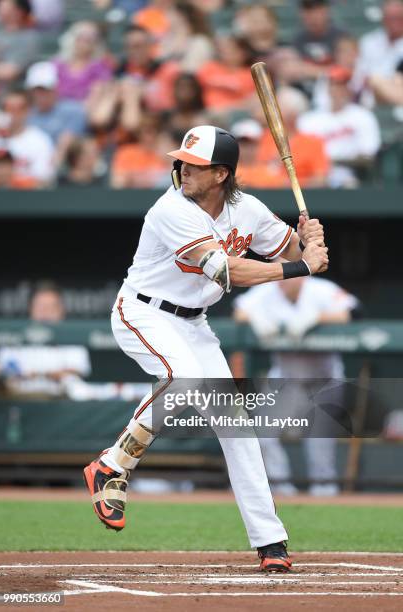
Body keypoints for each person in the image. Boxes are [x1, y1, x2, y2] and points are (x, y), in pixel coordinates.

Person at [83, 124, 329, 573]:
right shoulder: (170, 209)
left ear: (220, 174)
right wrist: (301, 266)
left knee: (237, 427)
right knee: (183, 378)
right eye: (181, 160)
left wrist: (306, 240)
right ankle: (112, 464)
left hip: (194, 322)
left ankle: (270, 541)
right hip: (144, 312)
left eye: (194, 164)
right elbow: (227, 273)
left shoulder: (247, 209)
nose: (181, 168)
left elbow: (286, 247)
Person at [233, 276, 358, 496]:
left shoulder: (322, 289)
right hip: (286, 379)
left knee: (319, 446)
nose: (284, 280)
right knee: (262, 437)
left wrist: (317, 318)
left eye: (291, 272)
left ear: (302, 276)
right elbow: (239, 312)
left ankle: (324, 496)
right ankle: (282, 493)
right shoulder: (267, 290)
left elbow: (355, 312)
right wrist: (256, 318)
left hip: (324, 379)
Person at [0, 282, 91, 398]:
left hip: (58, 402)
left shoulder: (72, 338)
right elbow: (0, 369)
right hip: (17, 399)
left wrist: (37, 374)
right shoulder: (14, 336)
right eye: (40, 307)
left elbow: (75, 371)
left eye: (51, 307)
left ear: (61, 310)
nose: (45, 312)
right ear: (31, 309)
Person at [298, 66, 381, 187]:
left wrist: (332, 161)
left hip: (349, 175)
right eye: (334, 85)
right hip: (314, 176)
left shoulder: (363, 116)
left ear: (349, 89)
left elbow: (368, 156)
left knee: (349, 183)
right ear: (327, 88)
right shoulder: (309, 120)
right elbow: (299, 154)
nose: (338, 90)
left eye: (342, 85)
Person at [255, 87, 329, 188]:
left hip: (300, 196)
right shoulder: (261, 138)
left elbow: (320, 180)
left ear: (293, 114)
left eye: (278, 109)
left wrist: (289, 184)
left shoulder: (313, 143)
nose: (272, 113)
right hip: (262, 193)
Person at [25, 62, 87, 168]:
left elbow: (66, 143)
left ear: (55, 88)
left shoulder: (73, 110)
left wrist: (51, 167)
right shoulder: (26, 114)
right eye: (37, 90)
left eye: (45, 89)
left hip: (64, 169)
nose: (41, 94)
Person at [2, 90, 55, 186]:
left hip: (28, 197)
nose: (14, 112)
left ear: (28, 110)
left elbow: (44, 179)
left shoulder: (40, 140)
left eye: (19, 108)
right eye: (9, 107)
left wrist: (12, 181)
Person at [54, 21, 113, 102]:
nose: (84, 44)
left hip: (87, 107)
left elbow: (104, 87)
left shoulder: (100, 66)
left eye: (88, 40)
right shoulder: (58, 64)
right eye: (80, 39)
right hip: (58, 105)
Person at [0, 0, 40, 98]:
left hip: (11, 96)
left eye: (4, 6)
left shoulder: (28, 38)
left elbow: (9, 72)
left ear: (18, 11)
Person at [358, 0, 403, 85]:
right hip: (370, 94)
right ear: (383, 18)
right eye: (390, 18)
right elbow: (360, 77)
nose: (394, 23)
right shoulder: (369, 41)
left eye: (398, 18)